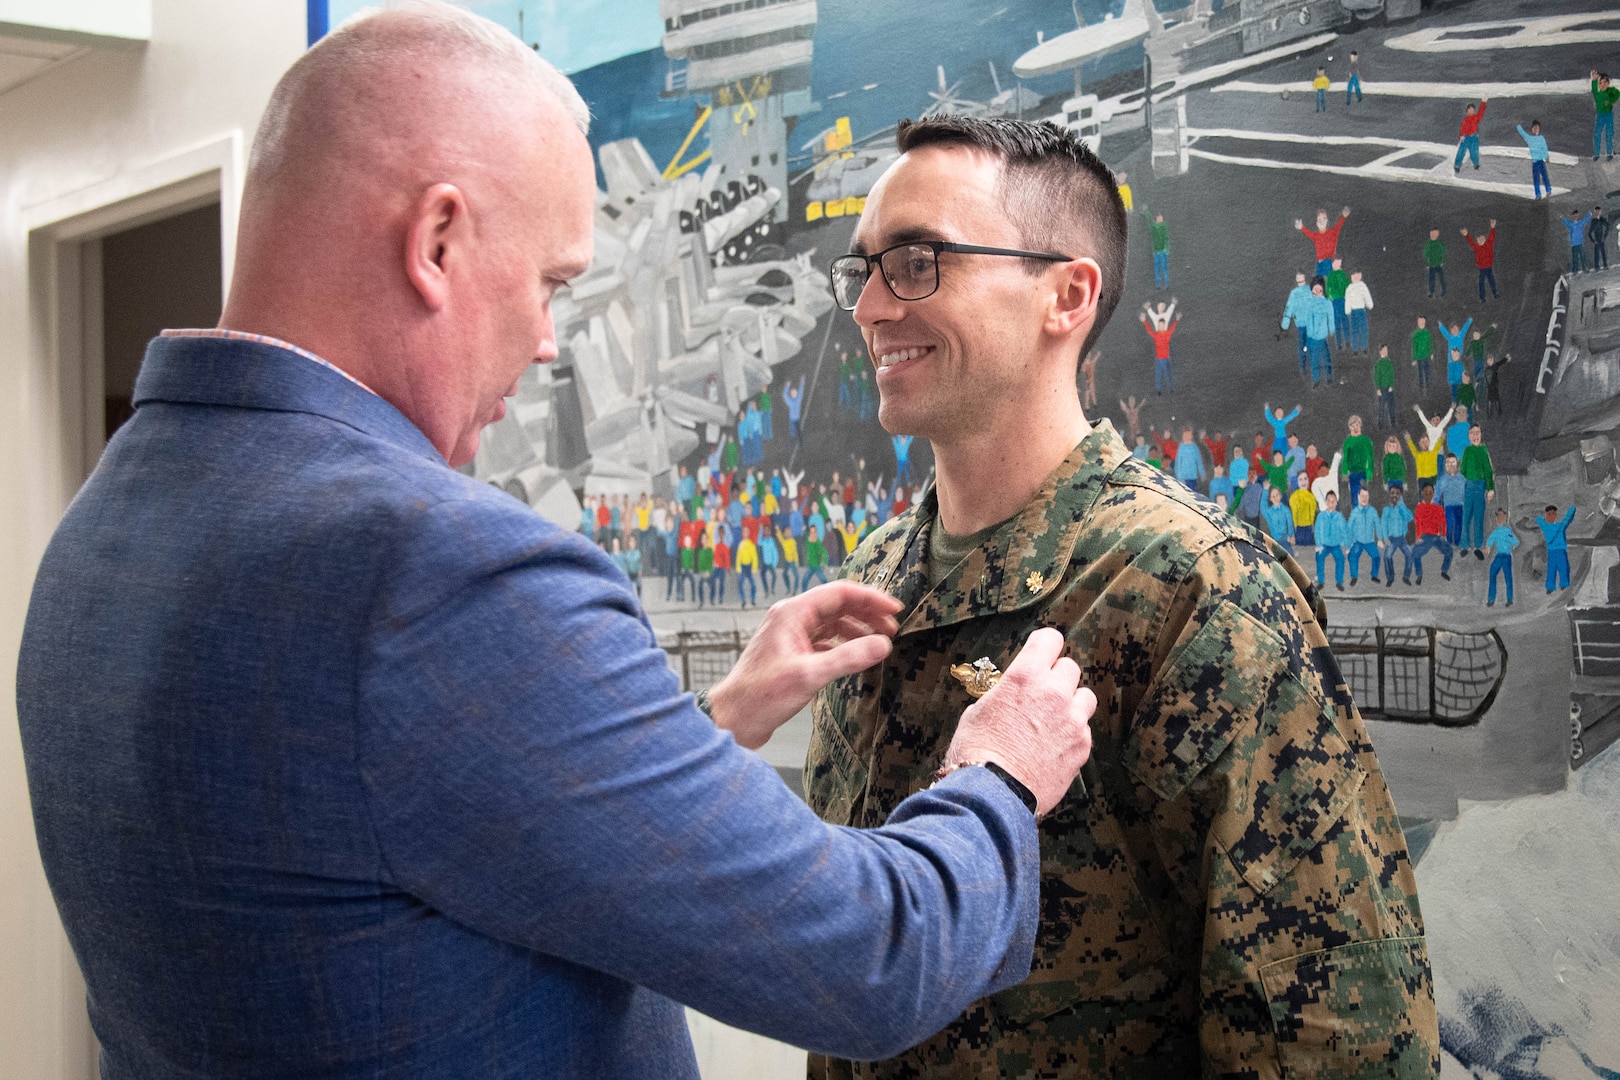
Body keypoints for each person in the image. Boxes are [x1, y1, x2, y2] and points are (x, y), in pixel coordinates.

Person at [13, 8, 1105, 1079]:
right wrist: (999, 776)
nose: (546, 344)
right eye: (549, 285)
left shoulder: (99, 529)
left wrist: (715, 725)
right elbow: (873, 959)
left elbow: (406, 821)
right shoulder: (441, 570)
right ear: (436, 242)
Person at [814, 114, 1433, 1079]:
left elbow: (1331, 1037)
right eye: (864, 271)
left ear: (1067, 294)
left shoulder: (1196, 595)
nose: (871, 308)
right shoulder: (879, 577)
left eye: (919, 261)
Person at [1411, 484, 1454, 584]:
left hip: (1436, 536)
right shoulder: (1420, 507)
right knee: (1415, 553)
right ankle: (1419, 575)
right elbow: (1418, 523)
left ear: (1433, 494)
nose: (1428, 495)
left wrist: (1443, 534)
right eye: (1426, 492)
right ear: (1422, 493)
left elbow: (1442, 522)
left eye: (1430, 493)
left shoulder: (1438, 508)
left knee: (1449, 551)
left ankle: (1444, 571)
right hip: (1425, 537)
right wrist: (1418, 537)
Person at [1297, 206, 1350, 276]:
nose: (1321, 222)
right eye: (1319, 220)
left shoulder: (1333, 232)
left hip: (1331, 263)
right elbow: (1308, 232)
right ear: (1316, 223)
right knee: (1318, 283)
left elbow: (1339, 225)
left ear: (1327, 221)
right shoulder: (1316, 235)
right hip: (1320, 265)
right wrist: (1301, 227)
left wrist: (1343, 216)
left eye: (1324, 219)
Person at [1381, 485, 1416, 586]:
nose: (1394, 495)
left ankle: (1406, 577)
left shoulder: (1402, 508)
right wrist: (1385, 538)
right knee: (1387, 556)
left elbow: (1410, 517)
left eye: (1397, 493)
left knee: (1410, 554)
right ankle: (1390, 578)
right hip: (1391, 538)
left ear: (1401, 495)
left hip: (1401, 538)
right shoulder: (1386, 509)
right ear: (1389, 494)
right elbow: (1383, 524)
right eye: (1392, 493)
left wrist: (1402, 505)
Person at [1139, 302, 1178, 393]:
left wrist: (1176, 320)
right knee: (1158, 374)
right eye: (1159, 325)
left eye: (1162, 325)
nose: (1160, 326)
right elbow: (1149, 330)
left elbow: (1172, 328)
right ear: (1158, 326)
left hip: (1166, 358)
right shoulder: (1156, 335)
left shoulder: (1167, 334)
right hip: (1158, 359)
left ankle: (1170, 388)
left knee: (1167, 374)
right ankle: (1158, 389)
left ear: (1164, 325)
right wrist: (1144, 321)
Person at [1347, 487, 1383, 585]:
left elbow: (1378, 524)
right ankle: (1354, 576)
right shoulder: (1354, 512)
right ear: (1358, 497)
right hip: (1358, 541)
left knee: (1376, 556)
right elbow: (1349, 528)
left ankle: (1374, 575)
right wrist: (1348, 545)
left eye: (1366, 496)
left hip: (1369, 541)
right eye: (1362, 496)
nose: (1364, 498)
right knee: (1352, 556)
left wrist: (1379, 539)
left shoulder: (1372, 511)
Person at [1538, 504, 1577, 592]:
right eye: (1549, 514)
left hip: (1559, 550)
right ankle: (1552, 586)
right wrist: (1573, 507)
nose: (1551, 516)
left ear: (1555, 515)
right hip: (1553, 551)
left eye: (1553, 513)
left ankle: (1562, 584)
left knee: (1562, 567)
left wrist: (1572, 508)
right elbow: (1567, 519)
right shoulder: (1549, 526)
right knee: (1552, 569)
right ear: (1546, 515)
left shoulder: (1557, 526)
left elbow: (1567, 518)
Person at [1315, 489, 1349, 591]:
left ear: (1336, 503)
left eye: (1333, 501)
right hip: (1324, 545)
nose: (1331, 504)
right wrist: (1319, 544)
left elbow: (1344, 530)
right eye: (1329, 501)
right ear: (1326, 502)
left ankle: (1339, 582)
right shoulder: (1321, 516)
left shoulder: (1339, 516)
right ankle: (1321, 581)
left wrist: (1346, 545)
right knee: (1319, 557)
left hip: (1335, 545)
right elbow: (1317, 530)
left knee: (1341, 559)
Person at [1484, 508, 1519, 606]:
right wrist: (1488, 546)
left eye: (1502, 516)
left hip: (1506, 556)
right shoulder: (1496, 531)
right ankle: (1491, 599)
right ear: (1496, 519)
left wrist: (1511, 542)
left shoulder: (1508, 531)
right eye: (1498, 516)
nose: (1500, 518)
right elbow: (1491, 539)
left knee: (1508, 577)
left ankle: (1510, 599)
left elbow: (1516, 542)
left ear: (1505, 518)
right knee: (1492, 572)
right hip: (1499, 556)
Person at [1280, 270, 1313, 373]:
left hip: (1310, 322)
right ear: (1296, 279)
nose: (1300, 279)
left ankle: (1312, 363)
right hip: (1301, 323)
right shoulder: (1294, 293)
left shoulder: (1309, 290)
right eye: (1298, 277)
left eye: (1301, 277)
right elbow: (1289, 307)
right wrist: (1286, 320)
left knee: (1311, 343)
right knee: (1302, 344)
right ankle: (1303, 366)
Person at [1342, 414, 1375, 509]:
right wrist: (1344, 472)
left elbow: (1370, 458)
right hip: (1352, 474)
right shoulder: (1348, 441)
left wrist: (1369, 473)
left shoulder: (1366, 441)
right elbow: (1345, 459)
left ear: (1360, 425)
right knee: (1354, 497)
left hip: (1363, 473)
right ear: (1349, 427)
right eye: (1353, 426)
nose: (1355, 428)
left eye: (1357, 425)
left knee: (1363, 496)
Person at [1462, 219, 1499, 303]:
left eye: (1482, 238)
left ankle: (1494, 293)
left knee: (1491, 281)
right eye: (1479, 239)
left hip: (1489, 267)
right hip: (1482, 268)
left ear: (1485, 238)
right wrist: (1466, 235)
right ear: (1477, 240)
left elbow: (1492, 237)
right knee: (1481, 283)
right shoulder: (1476, 247)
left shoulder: (1488, 244)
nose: (1480, 240)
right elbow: (1471, 242)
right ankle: (1482, 297)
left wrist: (1493, 228)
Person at [1436, 453, 1467, 544]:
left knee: (1459, 525)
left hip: (1460, 506)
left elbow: (1466, 492)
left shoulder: (1462, 478)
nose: (1451, 465)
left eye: (1453, 462)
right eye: (1448, 462)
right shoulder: (1443, 479)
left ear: (1456, 463)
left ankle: (1457, 543)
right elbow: (1437, 493)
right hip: (1448, 506)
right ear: (1445, 465)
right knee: (1449, 525)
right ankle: (1449, 542)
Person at [1516, 120, 1551, 199]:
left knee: (1544, 176)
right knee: (1536, 179)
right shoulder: (1529, 139)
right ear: (1532, 129)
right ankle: (1538, 194)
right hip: (1535, 162)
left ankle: (1548, 189)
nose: (1536, 129)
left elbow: (1544, 148)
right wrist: (1518, 126)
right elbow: (1523, 133)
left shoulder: (1541, 138)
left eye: (1537, 128)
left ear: (1539, 129)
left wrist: (1546, 157)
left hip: (1540, 161)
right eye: (1534, 128)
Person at [1454, 98, 1488, 172]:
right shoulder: (1465, 120)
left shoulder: (1476, 118)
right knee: (1461, 151)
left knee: (1474, 152)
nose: (1471, 111)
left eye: (1472, 110)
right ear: (1467, 110)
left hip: (1473, 137)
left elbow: (1481, 112)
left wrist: (1484, 102)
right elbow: (1462, 128)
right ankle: (1457, 165)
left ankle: (1476, 164)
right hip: (1465, 137)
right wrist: (1461, 135)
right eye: (1469, 109)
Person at [1345, 269, 1374, 353]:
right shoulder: (1349, 288)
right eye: (1354, 275)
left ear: (1360, 275)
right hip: (1354, 311)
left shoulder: (1362, 286)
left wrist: (1370, 305)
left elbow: (1367, 296)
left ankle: (1364, 347)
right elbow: (1348, 299)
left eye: (1357, 275)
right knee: (1355, 330)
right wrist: (1347, 310)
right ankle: (1355, 348)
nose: (1356, 277)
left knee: (1364, 329)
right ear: (1351, 277)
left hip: (1362, 310)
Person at [1593, 71, 1618, 161]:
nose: (1602, 85)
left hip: (1609, 115)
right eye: (1600, 83)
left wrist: (1611, 100)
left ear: (1608, 83)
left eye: (1605, 82)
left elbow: (1617, 93)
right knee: (1597, 134)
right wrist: (1594, 80)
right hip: (1600, 116)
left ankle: (1609, 153)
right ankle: (1596, 153)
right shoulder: (1598, 94)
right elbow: (1594, 89)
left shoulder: (1610, 91)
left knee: (1609, 134)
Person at [1263, 485, 1296, 553]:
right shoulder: (1269, 512)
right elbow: (1262, 507)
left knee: (1289, 556)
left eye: (1277, 495)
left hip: (1286, 539)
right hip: (1275, 540)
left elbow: (1290, 523)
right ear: (1270, 499)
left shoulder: (1285, 510)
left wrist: (1291, 535)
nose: (1275, 498)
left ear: (1280, 496)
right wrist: (1265, 491)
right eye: (1273, 496)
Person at [1289, 470, 1318, 547]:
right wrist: (1295, 525)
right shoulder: (1294, 496)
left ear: (1308, 480)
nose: (1303, 482)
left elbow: (1312, 512)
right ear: (1297, 482)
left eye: (1305, 479)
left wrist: (1312, 524)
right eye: (1300, 479)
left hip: (1308, 527)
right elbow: (1294, 512)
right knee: (1299, 546)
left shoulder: (1311, 496)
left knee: (1309, 547)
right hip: (1298, 527)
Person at [1563, 208, 1593, 273]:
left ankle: (1584, 268)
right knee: (1575, 258)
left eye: (1577, 215)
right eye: (1574, 216)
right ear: (1573, 216)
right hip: (1574, 244)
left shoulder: (1580, 223)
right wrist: (1562, 218)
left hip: (1580, 243)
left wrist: (1589, 214)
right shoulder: (1571, 224)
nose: (1576, 217)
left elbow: (1585, 220)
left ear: (1578, 215)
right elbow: (1566, 222)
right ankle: (1575, 270)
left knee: (1582, 256)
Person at [1374, 344, 1397, 428]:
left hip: (1389, 389)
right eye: (1384, 350)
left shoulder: (1389, 362)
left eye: (1387, 350)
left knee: (1391, 407)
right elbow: (1377, 377)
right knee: (1382, 408)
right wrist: (1378, 389)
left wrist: (1391, 385)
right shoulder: (1378, 364)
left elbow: (1392, 375)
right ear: (1380, 352)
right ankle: (1380, 425)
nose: (1386, 352)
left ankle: (1393, 423)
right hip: (1382, 389)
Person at [1411, 314, 1435, 391]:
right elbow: (1414, 347)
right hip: (1419, 357)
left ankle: (1428, 388)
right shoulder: (1415, 334)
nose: (1422, 323)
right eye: (1420, 321)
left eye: (1423, 321)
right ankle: (1421, 389)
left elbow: (1430, 344)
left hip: (1426, 356)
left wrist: (1431, 353)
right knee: (1420, 374)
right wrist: (1414, 358)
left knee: (1427, 373)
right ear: (1418, 322)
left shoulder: (1427, 333)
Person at [1423, 227, 1446, 298]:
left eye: (1436, 233)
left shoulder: (1439, 243)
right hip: (1432, 264)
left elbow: (1444, 252)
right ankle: (1431, 292)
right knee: (1431, 279)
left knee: (1441, 278)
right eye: (1433, 233)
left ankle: (1443, 291)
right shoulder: (1429, 243)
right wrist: (1426, 263)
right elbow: (1425, 254)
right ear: (1430, 233)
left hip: (1439, 264)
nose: (1434, 235)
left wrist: (1443, 261)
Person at [1590, 205, 1611, 272]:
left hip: (1601, 238)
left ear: (1600, 212)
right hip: (1596, 239)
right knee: (1596, 253)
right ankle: (1597, 267)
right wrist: (1593, 240)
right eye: (1596, 211)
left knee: (1603, 252)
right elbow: (1589, 232)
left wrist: (1604, 237)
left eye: (1599, 211)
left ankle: (1605, 265)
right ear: (1595, 212)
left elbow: (1608, 227)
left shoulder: (1602, 219)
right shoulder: (1593, 221)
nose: (1598, 212)